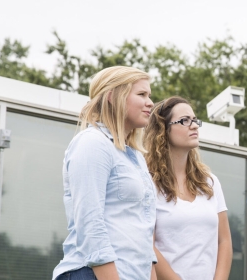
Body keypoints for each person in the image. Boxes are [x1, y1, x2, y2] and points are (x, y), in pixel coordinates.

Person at [52, 66, 157, 279]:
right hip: (91, 273)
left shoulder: (135, 156)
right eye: (141, 94)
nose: (150, 103)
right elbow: (90, 224)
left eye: (149, 95)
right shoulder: (92, 143)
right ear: (112, 96)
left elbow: (144, 229)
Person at [144, 96, 233, 280]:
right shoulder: (147, 183)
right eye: (184, 121)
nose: (194, 126)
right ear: (163, 130)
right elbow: (146, 245)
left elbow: (224, 241)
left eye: (194, 120)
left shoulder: (210, 182)